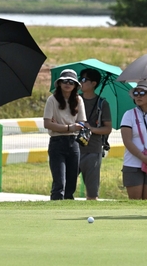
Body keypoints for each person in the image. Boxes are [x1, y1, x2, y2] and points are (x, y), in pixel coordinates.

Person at [43, 69, 86, 200]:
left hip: (73, 143)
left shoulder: (78, 100)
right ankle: (54, 212)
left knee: (71, 183)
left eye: (71, 82)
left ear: (75, 86)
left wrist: (60, 126)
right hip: (57, 142)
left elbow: (81, 123)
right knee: (59, 183)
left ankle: (67, 213)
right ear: (60, 83)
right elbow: (47, 124)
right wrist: (69, 127)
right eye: (65, 81)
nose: (68, 84)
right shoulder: (52, 99)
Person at [78, 68, 113, 200]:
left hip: (93, 150)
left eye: (84, 80)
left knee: (92, 193)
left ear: (94, 84)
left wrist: (91, 128)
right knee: (65, 188)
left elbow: (107, 128)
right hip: (73, 149)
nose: (80, 82)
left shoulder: (102, 104)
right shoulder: (74, 100)